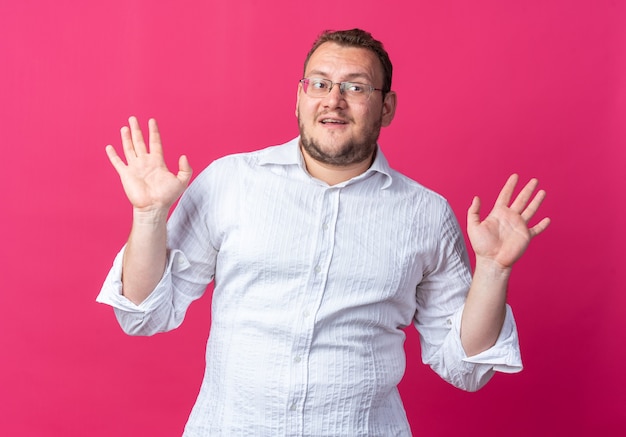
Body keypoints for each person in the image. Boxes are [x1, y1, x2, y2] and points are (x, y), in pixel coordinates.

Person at [97, 28, 550, 436]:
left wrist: (492, 269)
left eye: (355, 87)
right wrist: (150, 215)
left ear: (386, 107)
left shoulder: (425, 215)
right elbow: (142, 314)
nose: (333, 99)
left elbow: (464, 368)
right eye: (319, 83)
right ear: (298, 98)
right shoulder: (229, 182)